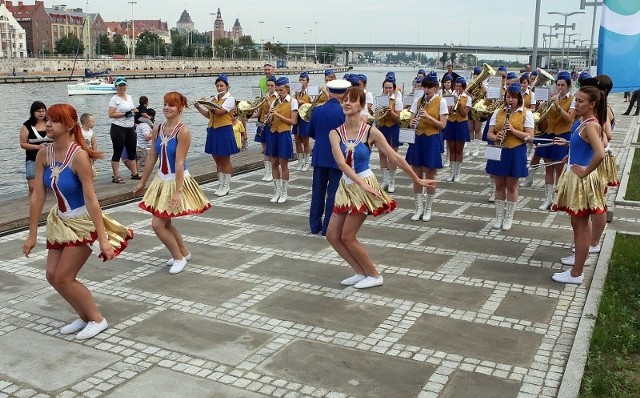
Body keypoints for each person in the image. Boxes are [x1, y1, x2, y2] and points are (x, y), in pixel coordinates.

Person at [22, 103, 133, 340]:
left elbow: (91, 199)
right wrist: (32, 234)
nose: (48, 124)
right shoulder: (44, 153)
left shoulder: (79, 156)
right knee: (52, 276)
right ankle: (83, 317)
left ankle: (96, 319)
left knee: (64, 277)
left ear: (70, 125)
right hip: (60, 221)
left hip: (83, 222)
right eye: (47, 119)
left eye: (54, 120)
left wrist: (102, 239)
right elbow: (39, 195)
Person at [327, 86, 436, 289]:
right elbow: (341, 164)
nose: (347, 103)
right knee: (332, 235)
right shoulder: (335, 133)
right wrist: (358, 184)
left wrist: (417, 179)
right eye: (345, 100)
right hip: (348, 185)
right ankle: (360, 271)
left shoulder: (370, 131)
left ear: (361, 105)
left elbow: (395, 157)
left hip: (365, 184)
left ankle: (374, 275)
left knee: (348, 236)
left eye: (352, 100)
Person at [134, 92, 211, 274]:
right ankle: (184, 252)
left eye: (172, 105)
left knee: (157, 224)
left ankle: (178, 257)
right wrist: (142, 182)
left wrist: (178, 191)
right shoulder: (157, 128)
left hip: (177, 179)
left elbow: (178, 162)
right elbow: (152, 156)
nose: (167, 107)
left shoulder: (183, 131)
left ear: (180, 108)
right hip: (161, 179)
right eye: (165, 104)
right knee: (165, 223)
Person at [551, 85, 607, 284]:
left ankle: (576, 273)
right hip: (576, 175)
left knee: (581, 226)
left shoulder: (591, 125)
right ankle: (578, 262)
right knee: (579, 225)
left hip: (581, 179)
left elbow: (600, 152)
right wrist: (569, 149)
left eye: (580, 101)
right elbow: (586, 146)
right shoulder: (584, 122)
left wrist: (585, 170)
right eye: (576, 100)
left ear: (592, 104)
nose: (576, 104)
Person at [486, 83, 534, 230]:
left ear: (519, 98)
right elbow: (489, 133)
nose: (510, 100)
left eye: (514, 97)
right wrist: (495, 136)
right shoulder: (498, 112)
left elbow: (530, 136)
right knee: (499, 185)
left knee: (512, 187)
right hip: (499, 150)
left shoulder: (526, 113)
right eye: (508, 97)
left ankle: (509, 217)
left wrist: (513, 131)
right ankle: (499, 217)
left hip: (516, 151)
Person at [406, 71, 448, 222]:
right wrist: (413, 122)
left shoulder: (441, 102)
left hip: (432, 139)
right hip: (418, 138)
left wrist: (428, 117)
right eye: (425, 87)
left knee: (430, 174)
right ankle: (418, 208)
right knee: (416, 175)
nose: (426, 90)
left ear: (436, 87)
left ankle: (428, 208)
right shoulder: (418, 101)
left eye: (429, 87)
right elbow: (410, 122)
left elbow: (442, 125)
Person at [308, 79, 348, 235]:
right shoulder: (344, 112)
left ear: (329, 92)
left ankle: (314, 225)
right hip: (338, 157)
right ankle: (327, 228)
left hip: (319, 155)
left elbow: (310, 132)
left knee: (317, 191)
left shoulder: (317, 110)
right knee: (333, 193)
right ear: (344, 94)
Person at [534, 71, 574, 211]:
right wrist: (541, 107)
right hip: (549, 134)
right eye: (558, 85)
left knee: (559, 167)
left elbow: (569, 119)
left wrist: (557, 106)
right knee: (548, 167)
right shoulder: (553, 97)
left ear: (568, 86)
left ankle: (558, 199)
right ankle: (547, 199)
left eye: (563, 85)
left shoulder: (572, 99)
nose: (560, 87)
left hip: (562, 135)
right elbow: (542, 116)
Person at [195, 74, 239, 197]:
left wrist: (206, 104)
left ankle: (226, 185)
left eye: (221, 86)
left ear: (227, 86)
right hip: (213, 130)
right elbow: (210, 115)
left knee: (225, 159)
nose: (219, 88)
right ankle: (220, 184)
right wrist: (199, 107)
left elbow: (220, 112)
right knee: (217, 159)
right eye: (217, 86)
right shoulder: (214, 99)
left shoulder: (230, 99)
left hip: (224, 130)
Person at [265, 77, 298, 203]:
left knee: (283, 164)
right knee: (273, 163)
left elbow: (293, 121)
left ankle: (284, 192)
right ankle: (276, 191)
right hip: (273, 133)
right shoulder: (275, 102)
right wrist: (269, 119)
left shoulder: (293, 102)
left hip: (284, 134)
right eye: (278, 90)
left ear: (287, 89)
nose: (279, 92)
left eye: (281, 89)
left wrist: (277, 115)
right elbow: (271, 120)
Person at [108, 76, 140, 183]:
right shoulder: (114, 99)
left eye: (123, 85)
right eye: (119, 85)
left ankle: (134, 173)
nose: (122, 87)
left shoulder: (129, 97)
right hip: (118, 128)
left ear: (126, 86)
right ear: (116, 87)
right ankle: (116, 176)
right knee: (117, 151)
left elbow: (130, 110)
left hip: (130, 128)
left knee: (132, 151)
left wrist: (133, 110)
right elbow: (111, 114)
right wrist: (125, 114)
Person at [443, 76, 472, 182]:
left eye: (460, 86)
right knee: (452, 149)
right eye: (456, 86)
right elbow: (447, 111)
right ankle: (451, 172)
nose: (458, 88)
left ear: (464, 87)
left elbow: (465, 114)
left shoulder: (468, 98)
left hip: (461, 124)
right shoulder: (450, 96)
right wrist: (451, 105)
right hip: (451, 122)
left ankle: (458, 173)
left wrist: (459, 105)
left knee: (459, 149)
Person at [377, 76, 404, 193]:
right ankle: (385, 180)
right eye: (386, 88)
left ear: (393, 88)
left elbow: (400, 119)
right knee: (382, 155)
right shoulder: (380, 99)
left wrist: (391, 111)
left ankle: (392, 181)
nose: (388, 90)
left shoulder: (397, 100)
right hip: (382, 128)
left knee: (392, 156)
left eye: (390, 88)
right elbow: (377, 115)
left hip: (393, 128)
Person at [20, 101, 52, 196]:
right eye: (38, 111)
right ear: (33, 112)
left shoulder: (50, 123)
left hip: (51, 158)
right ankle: (31, 204)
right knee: (33, 186)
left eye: (43, 111)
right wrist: (37, 146)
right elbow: (23, 144)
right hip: (32, 159)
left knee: (51, 185)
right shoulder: (27, 126)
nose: (41, 113)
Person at [254, 76, 278, 181]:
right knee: (264, 150)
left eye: (272, 85)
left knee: (270, 150)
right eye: (268, 85)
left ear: (276, 86)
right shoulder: (264, 97)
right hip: (262, 124)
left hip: (271, 125)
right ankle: (267, 172)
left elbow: (274, 110)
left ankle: (272, 172)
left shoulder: (277, 98)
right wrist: (247, 115)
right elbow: (260, 113)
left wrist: (268, 101)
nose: (270, 87)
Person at [294, 71, 312, 171]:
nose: (301, 82)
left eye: (303, 80)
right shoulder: (296, 93)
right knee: (297, 141)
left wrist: (303, 102)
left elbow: (313, 105)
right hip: (296, 118)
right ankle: (300, 162)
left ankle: (307, 162)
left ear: (307, 82)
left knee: (305, 141)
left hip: (305, 118)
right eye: (300, 80)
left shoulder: (309, 93)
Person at [135, 108, 155, 176]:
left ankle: (140, 175)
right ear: (151, 116)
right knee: (143, 165)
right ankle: (141, 177)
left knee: (142, 163)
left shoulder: (140, 124)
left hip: (142, 147)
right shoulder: (145, 126)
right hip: (144, 148)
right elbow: (147, 137)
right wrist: (155, 133)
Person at [80, 113, 98, 180]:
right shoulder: (79, 131)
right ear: (87, 123)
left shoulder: (91, 132)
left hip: (89, 153)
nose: (94, 123)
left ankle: (90, 180)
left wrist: (94, 153)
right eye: (92, 121)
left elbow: (94, 143)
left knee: (91, 168)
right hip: (81, 153)